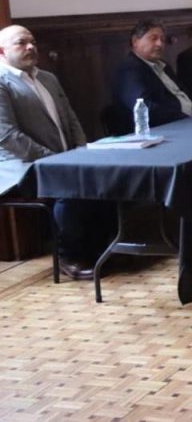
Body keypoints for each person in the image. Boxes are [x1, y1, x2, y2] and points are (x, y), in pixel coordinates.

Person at [0, 25, 114, 280]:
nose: (31, 47)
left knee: (102, 178)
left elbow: (70, 118)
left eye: (33, 42)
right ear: (2, 51)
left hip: (61, 160)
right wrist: (55, 160)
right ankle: (70, 257)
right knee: (69, 189)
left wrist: (81, 151)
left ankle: (102, 250)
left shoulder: (47, 78)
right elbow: (7, 136)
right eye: (21, 43)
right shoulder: (2, 82)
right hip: (19, 166)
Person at [112, 20, 192, 133]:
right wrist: (185, 118)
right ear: (135, 41)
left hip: (187, 123)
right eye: (153, 38)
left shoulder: (164, 66)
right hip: (158, 131)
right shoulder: (130, 70)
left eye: (162, 39)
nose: (159, 44)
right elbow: (146, 108)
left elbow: (182, 94)